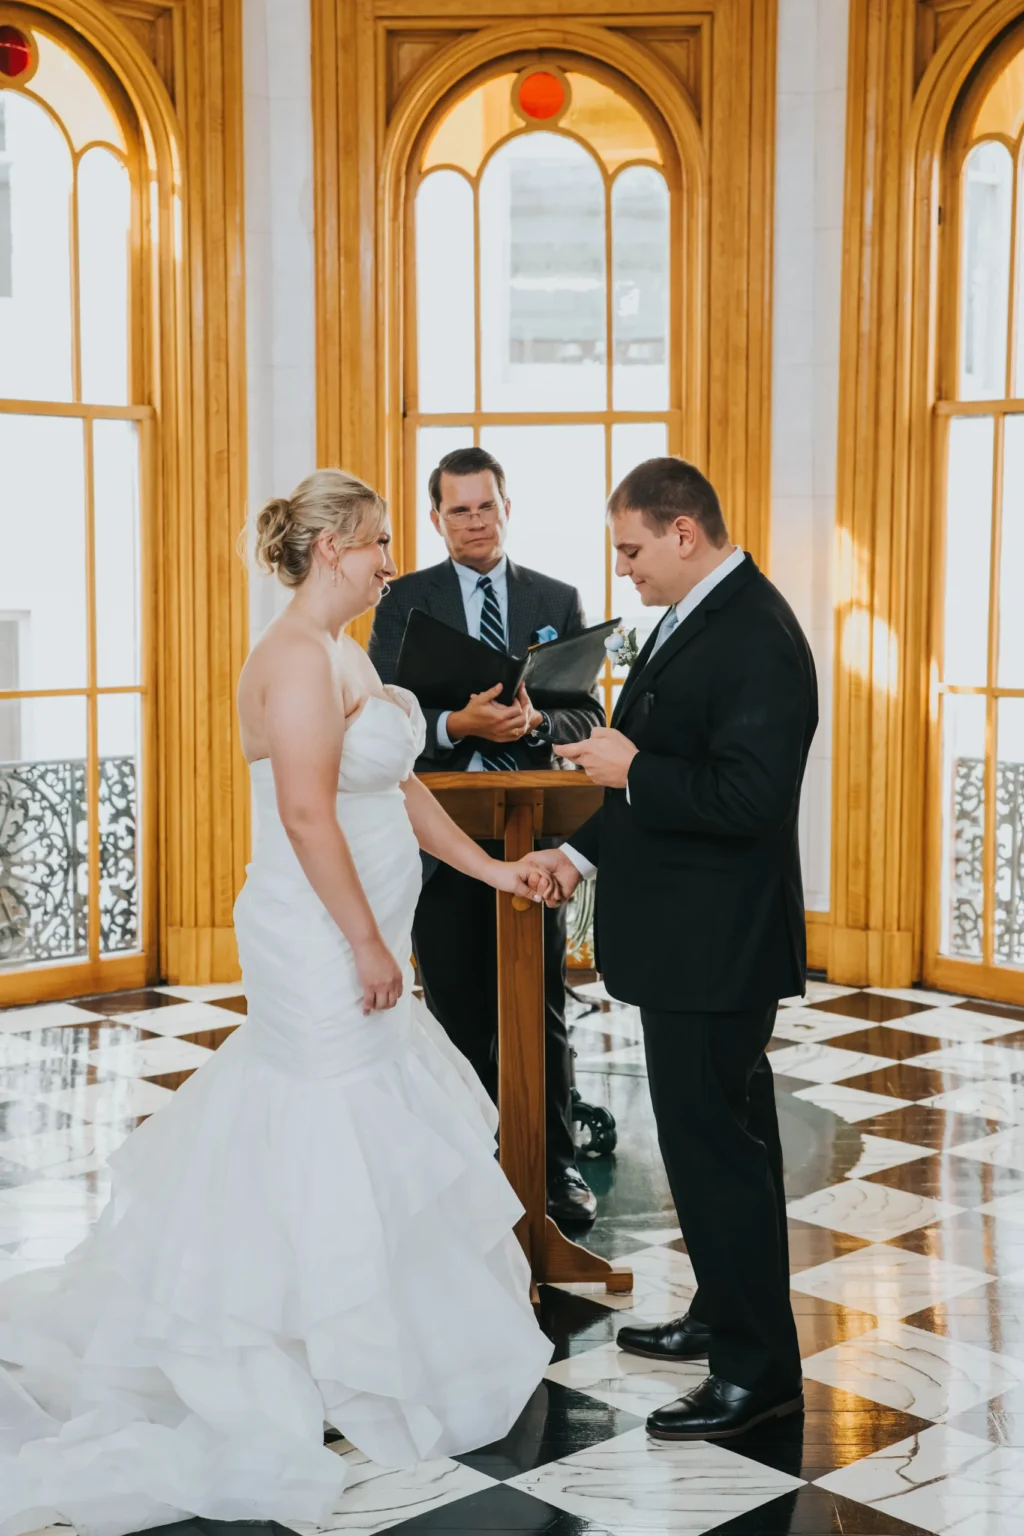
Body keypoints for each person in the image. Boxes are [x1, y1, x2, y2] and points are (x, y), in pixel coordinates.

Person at [0, 469, 554, 1535]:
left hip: (367, 926)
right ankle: (314, 1339)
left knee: (356, 1118)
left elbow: (397, 790)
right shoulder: (295, 660)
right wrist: (358, 943)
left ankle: (344, 1326)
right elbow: (306, 817)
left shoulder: (343, 653)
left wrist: (490, 876)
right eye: (381, 541)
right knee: (325, 1120)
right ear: (333, 545)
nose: (395, 561)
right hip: (317, 935)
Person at [526, 457, 817, 1442]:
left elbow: (745, 801)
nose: (625, 571)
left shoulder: (757, 637)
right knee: (714, 1152)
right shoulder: (696, 618)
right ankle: (719, 1312)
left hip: (717, 949)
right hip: (691, 944)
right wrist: (573, 849)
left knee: (714, 1156)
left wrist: (631, 764)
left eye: (632, 549)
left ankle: (756, 1372)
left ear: (684, 532)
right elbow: (647, 781)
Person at [369, 446, 604, 1226]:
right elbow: (376, 714)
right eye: (458, 509)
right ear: (435, 521)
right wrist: (453, 724)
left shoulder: (556, 597)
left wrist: (537, 720)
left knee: (541, 1008)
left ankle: (554, 1171)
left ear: (508, 507)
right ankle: (465, 1172)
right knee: (456, 1011)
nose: (475, 521)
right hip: (439, 845)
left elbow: (589, 719)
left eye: (487, 505)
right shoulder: (402, 600)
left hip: (533, 837)